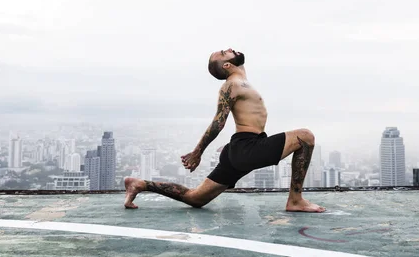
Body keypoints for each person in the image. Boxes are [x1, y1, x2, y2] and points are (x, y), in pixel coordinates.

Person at [124, 48, 325, 212]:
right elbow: (218, 122)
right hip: (247, 148)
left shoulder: (241, 84)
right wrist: (198, 152)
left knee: (196, 198)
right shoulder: (233, 84)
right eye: (223, 52)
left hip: (238, 149)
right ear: (227, 65)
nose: (228, 49)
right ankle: (295, 200)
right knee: (305, 137)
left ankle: (141, 184)